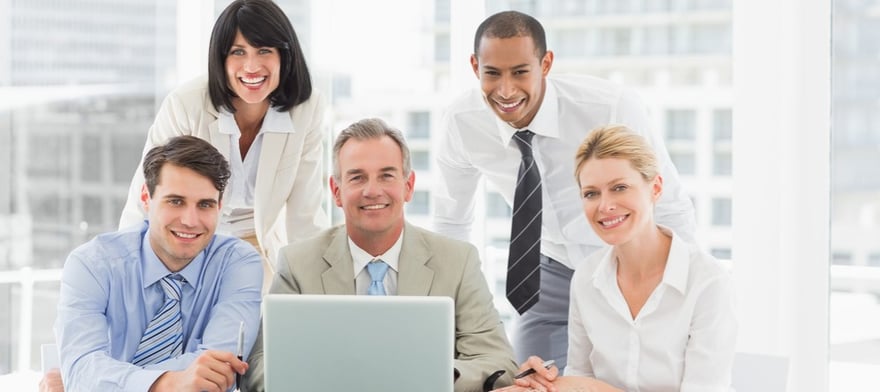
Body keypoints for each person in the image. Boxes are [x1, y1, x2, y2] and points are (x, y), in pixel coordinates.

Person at [432, 10, 697, 369]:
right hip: (548, 275)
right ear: (475, 66)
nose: (506, 90)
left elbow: (670, 206)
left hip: (624, 264)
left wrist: (680, 295)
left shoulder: (610, 107)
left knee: (638, 375)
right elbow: (452, 225)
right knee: (529, 378)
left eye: (520, 72)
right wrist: (449, 318)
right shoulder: (462, 123)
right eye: (492, 73)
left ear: (546, 63)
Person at [242, 118, 518, 392]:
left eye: (386, 175)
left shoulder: (458, 260)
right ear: (337, 192)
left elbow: (498, 362)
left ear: (408, 186)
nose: (372, 191)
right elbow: (259, 367)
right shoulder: (297, 263)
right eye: (357, 177)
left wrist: (432, 375)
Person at [494, 125, 736, 392]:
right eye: (591, 193)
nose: (605, 206)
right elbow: (580, 376)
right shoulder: (587, 276)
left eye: (619, 188)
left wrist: (594, 389)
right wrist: (548, 383)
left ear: (655, 188)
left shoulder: (707, 281)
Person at [119, 0, 327, 293]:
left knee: (262, 330)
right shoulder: (186, 104)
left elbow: (304, 212)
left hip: (261, 248)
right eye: (237, 52)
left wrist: (316, 291)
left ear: (285, 56)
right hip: (192, 238)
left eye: (264, 51)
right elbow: (147, 197)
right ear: (221, 59)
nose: (252, 66)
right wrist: (127, 276)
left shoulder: (307, 108)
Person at [44, 136, 263, 391]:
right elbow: (81, 369)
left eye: (205, 205)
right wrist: (168, 382)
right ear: (146, 198)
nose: (190, 221)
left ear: (220, 206)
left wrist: (97, 380)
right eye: (175, 201)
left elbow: (220, 373)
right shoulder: (92, 265)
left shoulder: (238, 264)